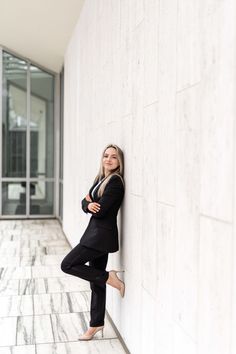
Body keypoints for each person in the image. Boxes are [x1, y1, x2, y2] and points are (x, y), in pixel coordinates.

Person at [61, 144, 125, 341]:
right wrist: (88, 204)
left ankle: (110, 277)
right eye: (106, 156)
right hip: (96, 235)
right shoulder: (101, 179)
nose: (108, 159)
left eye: (113, 157)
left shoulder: (115, 182)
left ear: (119, 161)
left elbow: (102, 210)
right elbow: (85, 202)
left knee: (68, 264)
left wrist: (91, 204)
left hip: (99, 237)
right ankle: (96, 324)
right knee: (96, 282)